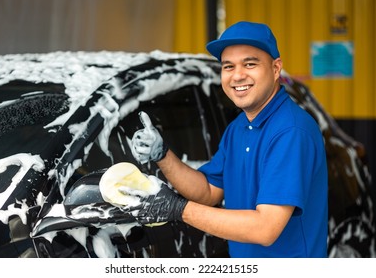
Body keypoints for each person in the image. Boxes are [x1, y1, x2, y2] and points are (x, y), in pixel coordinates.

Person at [123, 21, 328, 258]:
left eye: (250, 64)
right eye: (228, 66)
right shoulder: (238, 128)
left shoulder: (291, 132)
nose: (238, 75)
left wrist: (178, 210)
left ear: (275, 68)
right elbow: (209, 191)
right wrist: (163, 154)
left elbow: (265, 229)